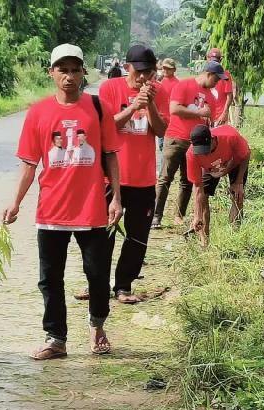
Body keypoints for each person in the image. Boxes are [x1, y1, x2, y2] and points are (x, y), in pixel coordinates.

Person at [2, 43, 123, 360]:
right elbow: (29, 162)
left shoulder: (98, 109)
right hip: (52, 210)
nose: (69, 76)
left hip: (93, 209)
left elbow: (110, 154)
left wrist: (117, 200)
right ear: (51, 73)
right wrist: (15, 203)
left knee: (97, 275)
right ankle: (56, 339)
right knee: (49, 278)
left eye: (75, 69)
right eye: (62, 70)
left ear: (84, 72)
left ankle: (97, 326)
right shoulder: (38, 112)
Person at [95, 44, 168, 304]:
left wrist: (149, 106)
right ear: (127, 67)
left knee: (138, 237)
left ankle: (123, 286)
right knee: (103, 234)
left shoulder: (159, 92)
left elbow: (160, 131)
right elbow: (104, 127)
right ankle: (97, 284)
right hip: (110, 177)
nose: (143, 77)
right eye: (138, 71)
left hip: (143, 178)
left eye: (148, 72)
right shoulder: (109, 89)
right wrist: (132, 106)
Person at [152, 61, 226, 229]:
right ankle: (156, 215)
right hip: (176, 138)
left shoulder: (212, 98)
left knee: (187, 180)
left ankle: (180, 215)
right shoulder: (184, 85)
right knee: (165, 177)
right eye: (216, 79)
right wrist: (198, 112)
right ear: (208, 73)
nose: (217, 82)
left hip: (195, 146)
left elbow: (209, 122)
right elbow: (174, 109)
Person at [186, 124, 250, 245]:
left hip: (234, 162)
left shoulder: (230, 136)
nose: (204, 155)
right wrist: (197, 215)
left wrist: (239, 182)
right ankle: (205, 242)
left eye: (205, 149)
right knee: (203, 199)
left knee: (237, 196)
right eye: (200, 151)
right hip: (210, 169)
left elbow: (246, 154)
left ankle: (235, 237)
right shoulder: (192, 154)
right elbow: (198, 187)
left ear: (213, 139)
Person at [207, 48, 234, 126]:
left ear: (220, 60)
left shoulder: (225, 75)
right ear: (208, 59)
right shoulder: (204, 74)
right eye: (212, 60)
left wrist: (224, 113)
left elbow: (230, 96)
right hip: (207, 115)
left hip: (220, 115)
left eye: (216, 60)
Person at [157, 58, 180, 151]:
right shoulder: (159, 82)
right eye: (164, 68)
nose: (165, 70)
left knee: (168, 148)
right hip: (160, 118)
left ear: (174, 70)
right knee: (161, 146)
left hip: (171, 120)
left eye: (168, 68)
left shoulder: (177, 84)